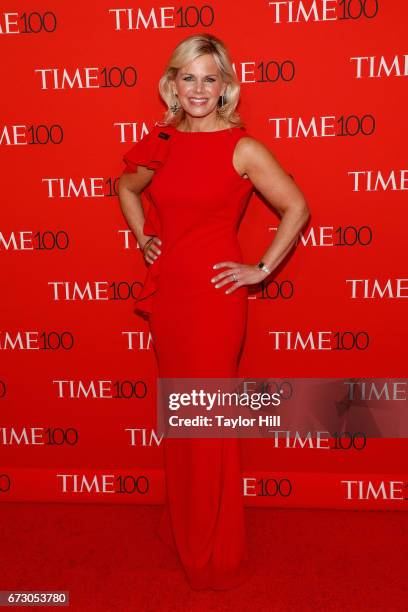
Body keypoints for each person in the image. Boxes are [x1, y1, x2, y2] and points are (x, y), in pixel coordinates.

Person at [118, 33, 310, 590]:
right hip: (171, 294)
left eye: (210, 78)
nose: (199, 88)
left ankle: (212, 545)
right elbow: (126, 188)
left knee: (205, 418)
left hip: (216, 299)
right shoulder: (160, 138)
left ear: (225, 85)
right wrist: (142, 238)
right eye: (188, 77)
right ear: (172, 84)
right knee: (184, 419)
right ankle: (183, 525)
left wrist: (262, 269)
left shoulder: (242, 146)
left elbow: (297, 205)